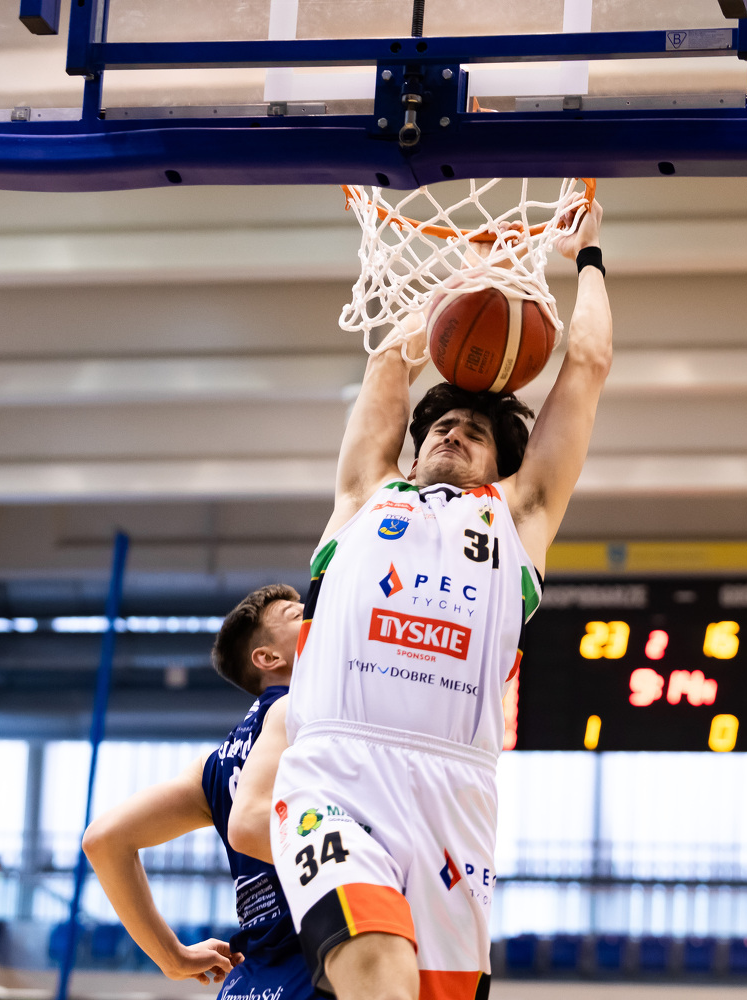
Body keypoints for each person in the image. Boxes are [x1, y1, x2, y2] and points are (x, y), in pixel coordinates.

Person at [229, 201, 611, 1000]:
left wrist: (588, 259)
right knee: (376, 963)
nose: (452, 432)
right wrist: (464, 278)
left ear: (501, 462)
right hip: (334, 773)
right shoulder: (366, 495)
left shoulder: (520, 517)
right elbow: (388, 368)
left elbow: (587, 366)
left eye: (475, 430)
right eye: (442, 425)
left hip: (455, 794)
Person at [82, 584, 319, 1000]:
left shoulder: (213, 765)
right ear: (268, 658)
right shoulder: (299, 714)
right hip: (318, 964)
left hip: (249, 983)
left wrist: (173, 958)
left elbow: (104, 840)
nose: (313, 611)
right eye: (297, 614)